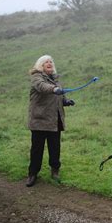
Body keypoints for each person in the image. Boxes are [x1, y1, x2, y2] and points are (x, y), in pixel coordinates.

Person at [26, 55, 75, 187]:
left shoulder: (56, 80)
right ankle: (32, 174)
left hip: (55, 120)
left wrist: (66, 101)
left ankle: (55, 171)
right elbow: (42, 87)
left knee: (55, 148)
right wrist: (54, 89)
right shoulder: (37, 77)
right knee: (37, 149)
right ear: (40, 65)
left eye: (51, 61)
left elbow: (59, 96)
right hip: (39, 120)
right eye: (46, 61)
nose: (49, 63)